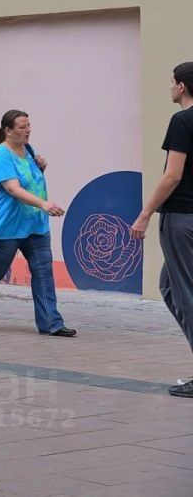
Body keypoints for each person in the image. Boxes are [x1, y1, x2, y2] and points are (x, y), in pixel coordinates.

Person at [0, 109, 76, 337]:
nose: (28, 130)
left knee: (43, 272)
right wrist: (44, 204)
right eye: (22, 127)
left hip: (34, 225)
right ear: (8, 131)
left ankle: (51, 323)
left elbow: (30, 181)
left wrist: (40, 168)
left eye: (28, 125)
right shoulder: (0, 154)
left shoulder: (28, 150)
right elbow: (12, 188)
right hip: (6, 226)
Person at [130, 62, 193, 397]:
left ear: (182, 86)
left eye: (171, 82)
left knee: (186, 294)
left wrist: (145, 214)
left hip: (181, 218)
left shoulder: (182, 121)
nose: (170, 87)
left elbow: (172, 175)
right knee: (169, 286)